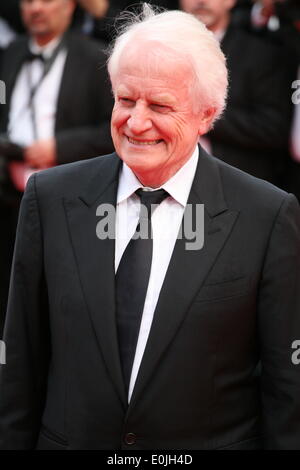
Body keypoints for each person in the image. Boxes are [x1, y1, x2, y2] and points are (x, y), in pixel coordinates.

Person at [0, 3, 300, 450]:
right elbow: (20, 366)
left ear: (207, 113)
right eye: (125, 99)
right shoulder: (51, 198)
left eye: (160, 104)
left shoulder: (266, 215)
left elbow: (286, 392)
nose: (136, 123)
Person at [0, 0, 114, 331]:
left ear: (69, 6)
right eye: (29, 0)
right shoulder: (10, 52)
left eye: (48, 0)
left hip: (71, 197)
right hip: (9, 193)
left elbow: (115, 129)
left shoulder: (95, 58)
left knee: (61, 296)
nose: (36, 8)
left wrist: (59, 148)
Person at [180, 0, 294, 186]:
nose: (201, 1)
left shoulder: (262, 53)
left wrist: (195, 113)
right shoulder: (158, 49)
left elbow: (273, 127)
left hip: (236, 183)